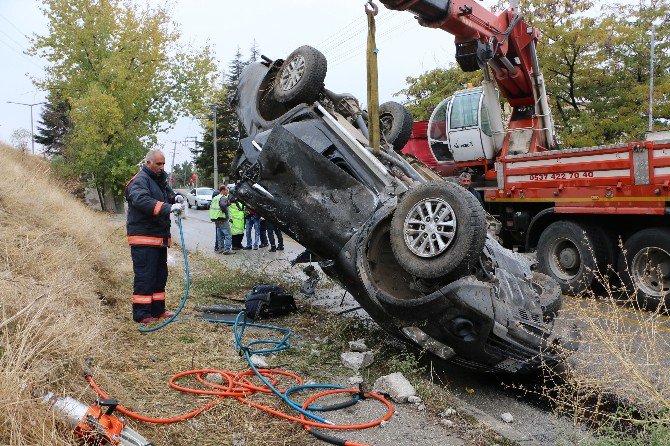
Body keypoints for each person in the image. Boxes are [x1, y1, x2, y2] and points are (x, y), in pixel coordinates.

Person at [125, 149, 183, 323]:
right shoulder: (139, 181)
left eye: (163, 163)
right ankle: (142, 314)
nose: (162, 167)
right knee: (145, 276)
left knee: (160, 276)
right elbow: (141, 200)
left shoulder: (160, 180)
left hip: (158, 239)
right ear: (148, 163)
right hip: (143, 239)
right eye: (159, 164)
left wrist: (175, 198)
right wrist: (167, 208)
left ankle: (158, 311)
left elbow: (167, 195)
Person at [210, 185, 235, 255]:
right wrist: (225, 212)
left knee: (220, 234)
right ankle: (227, 249)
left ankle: (221, 248)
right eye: (226, 190)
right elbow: (223, 205)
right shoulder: (223, 197)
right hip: (222, 218)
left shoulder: (216, 197)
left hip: (216, 219)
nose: (227, 191)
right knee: (228, 234)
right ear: (223, 190)